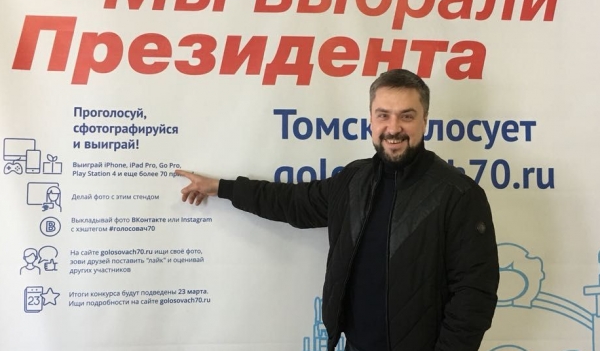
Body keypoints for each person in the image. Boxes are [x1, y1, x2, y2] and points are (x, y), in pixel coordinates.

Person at [176, 69, 499, 351]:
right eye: (383, 115)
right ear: (370, 120)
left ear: (424, 120)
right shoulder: (353, 181)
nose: (393, 128)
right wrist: (221, 187)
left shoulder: (459, 195)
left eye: (406, 116)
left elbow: (474, 295)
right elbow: (291, 201)